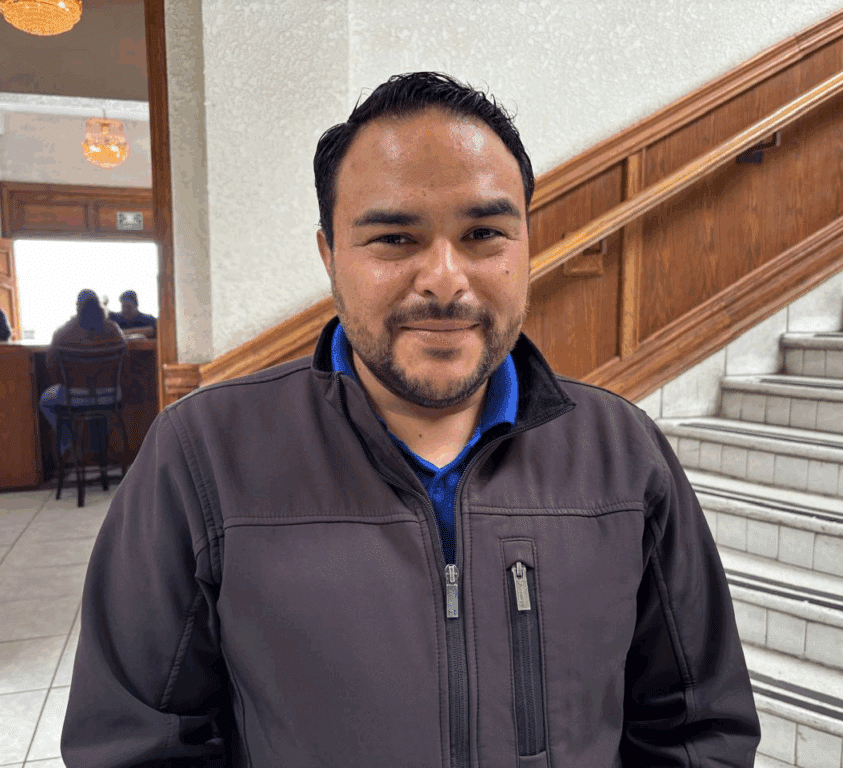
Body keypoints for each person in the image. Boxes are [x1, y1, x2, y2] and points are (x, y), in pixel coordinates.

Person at [62, 72, 760, 767]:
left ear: (526, 245)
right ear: (331, 256)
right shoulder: (203, 456)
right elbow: (135, 746)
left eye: (484, 233)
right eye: (395, 238)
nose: (445, 279)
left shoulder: (624, 453)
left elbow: (696, 731)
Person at [39, 290, 126, 456]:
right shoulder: (113, 329)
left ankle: (67, 441)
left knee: (45, 400)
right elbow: (126, 361)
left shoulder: (64, 333)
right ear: (100, 306)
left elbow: (50, 364)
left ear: (77, 308)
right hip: (110, 397)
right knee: (103, 405)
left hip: (74, 398)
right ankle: (102, 454)